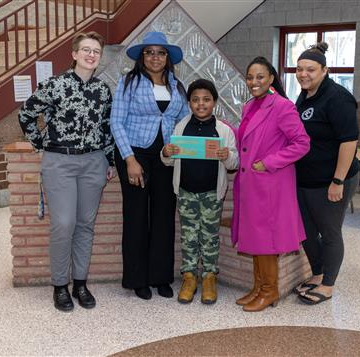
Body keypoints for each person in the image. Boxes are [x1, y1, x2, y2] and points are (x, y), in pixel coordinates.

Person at [18, 31, 116, 312]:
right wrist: (40, 144)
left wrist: (109, 161)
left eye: (96, 51)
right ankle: (60, 285)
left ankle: (80, 283)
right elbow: (26, 114)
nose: (91, 55)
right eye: (85, 50)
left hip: (93, 163)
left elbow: (106, 129)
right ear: (74, 54)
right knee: (63, 223)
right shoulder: (54, 85)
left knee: (85, 224)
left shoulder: (102, 90)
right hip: (59, 162)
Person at [110, 31, 189, 300]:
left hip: (166, 157)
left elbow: (183, 122)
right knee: (136, 217)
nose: (155, 57)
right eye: (150, 52)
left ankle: (160, 277)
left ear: (168, 58)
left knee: (164, 216)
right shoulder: (128, 83)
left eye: (160, 52)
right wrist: (129, 159)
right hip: (135, 155)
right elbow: (116, 122)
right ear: (142, 57)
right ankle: (137, 278)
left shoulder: (177, 86)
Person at [231, 57, 310, 312]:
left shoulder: (282, 107)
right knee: (256, 237)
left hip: (270, 184)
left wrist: (269, 162)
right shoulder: (249, 106)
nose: (254, 82)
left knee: (266, 239)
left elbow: (302, 143)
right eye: (250, 77)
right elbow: (247, 139)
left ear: (271, 78)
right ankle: (258, 287)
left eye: (260, 77)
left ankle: (270, 290)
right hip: (250, 183)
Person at [293, 42, 360, 305]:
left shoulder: (338, 98)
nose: (303, 74)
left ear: (324, 70)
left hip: (333, 180)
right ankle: (318, 273)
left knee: (329, 231)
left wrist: (337, 181)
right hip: (306, 180)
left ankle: (328, 284)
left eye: (310, 69)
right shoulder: (305, 94)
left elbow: (348, 141)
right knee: (306, 231)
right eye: (299, 69)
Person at [161, 79, 238, 305]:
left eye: (206, 99)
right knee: (189, 236)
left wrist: (227, 156)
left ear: (214, 102)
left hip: (212, 194)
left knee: (210, 236)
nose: (200, 104)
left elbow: (234, 162)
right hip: (185, 193)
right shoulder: (181, 126)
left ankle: (209, 278)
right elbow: (168, 160)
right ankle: (189, 277)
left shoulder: (223, 130)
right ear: (189, 103)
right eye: (195, 100)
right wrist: (166, 152)